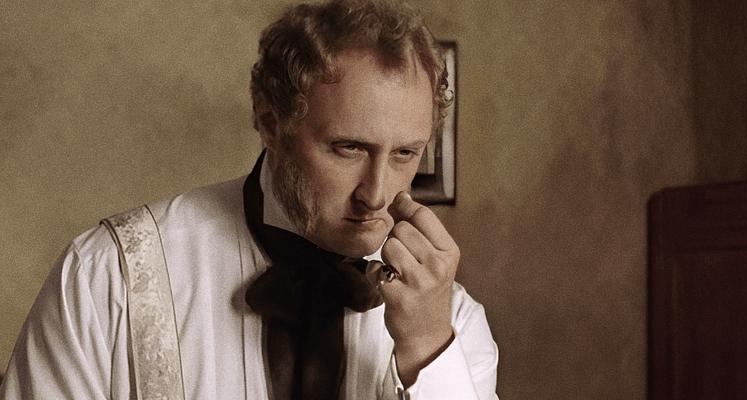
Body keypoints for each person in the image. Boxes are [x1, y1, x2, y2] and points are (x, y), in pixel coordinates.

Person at [0, 0, 498, 399]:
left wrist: (427, 348)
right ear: (270, 123)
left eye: (405, 154)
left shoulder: (453, 323)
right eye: (349, 148)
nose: (376, 194)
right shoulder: (109, 277)